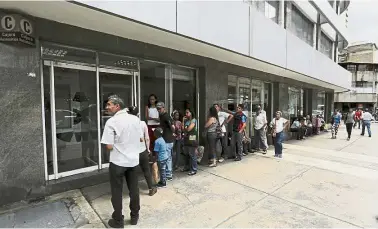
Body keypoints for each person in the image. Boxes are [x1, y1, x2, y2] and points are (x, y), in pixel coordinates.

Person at [100, 95, 142, 227]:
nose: (107, 107)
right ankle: (134, 217)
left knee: (117, 192)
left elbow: (109, 146)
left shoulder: (111, 122)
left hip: (118, 162)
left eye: (109, 104)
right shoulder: (135, 119)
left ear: (117, 106)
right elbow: (140, 139)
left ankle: (118, 220)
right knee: (134, 190)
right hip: (134, 161)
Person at [128, 106, 157, 196]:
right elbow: (147, 138)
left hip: (132, 152)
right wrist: (148, 149)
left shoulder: (127, 125)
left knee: (132, 172)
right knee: (146, 170)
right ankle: (151, 189)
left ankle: (133, 191)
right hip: (142, 151)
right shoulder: (142, 123)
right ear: (138, 114)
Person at [156, 102, 175, 181]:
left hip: (168, 139)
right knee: (167, 157)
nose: (158, 110)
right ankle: (168, 173)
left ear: (164, 108)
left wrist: (172, 133)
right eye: (157, 109)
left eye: (160, 109)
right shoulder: (162, 116)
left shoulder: (166, 116)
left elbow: (173, 126)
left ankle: (168, 174)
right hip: (165, 139)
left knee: (167, 157)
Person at [145, 94, 160, 184]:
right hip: (150, 126)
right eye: (150, 99)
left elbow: (160, 119)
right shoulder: (147, 107)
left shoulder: (158, 107)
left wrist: (155, 119)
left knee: (157, 141)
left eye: (153, 99)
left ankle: (156, 156)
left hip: (157, 126)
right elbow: (147, 117)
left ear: (155, 99)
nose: (152, 101)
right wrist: (155, 119)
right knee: (150, 141)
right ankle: (151, 157)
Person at [182, 108, 198, 175]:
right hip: (186, 138)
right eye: (185, 112)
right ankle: (187, 167)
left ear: (191, 113)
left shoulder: (193, 120)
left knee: (192, 154)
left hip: (192, 138)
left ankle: (194, 169)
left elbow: (188, 129)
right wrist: (183, 121)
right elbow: (182, 129)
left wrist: (185, 129)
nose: (186, 114)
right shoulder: (187, 121)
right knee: (186, 154)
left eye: (187, 112)